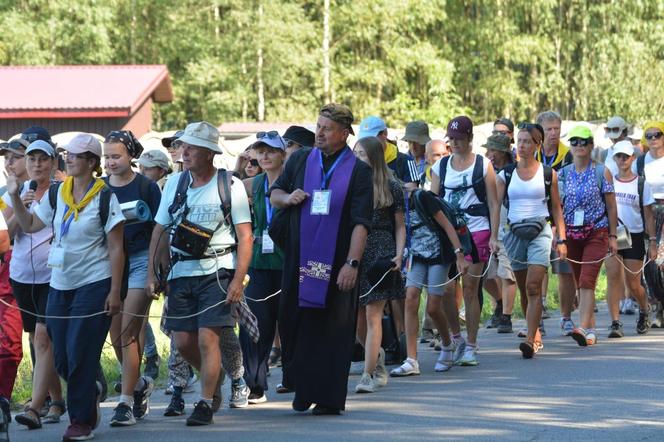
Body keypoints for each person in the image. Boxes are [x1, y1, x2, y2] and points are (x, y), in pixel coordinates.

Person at [8, 133, 126, 441]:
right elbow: (32, 225)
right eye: (67, 154)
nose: (68, 158)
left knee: (80, 354)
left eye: (75, 154)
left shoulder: (105, 197)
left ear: (91, 162)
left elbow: (116, 248)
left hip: (94, 283)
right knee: (60, 356)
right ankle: (90, 393)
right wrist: (16, 201)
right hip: (60, 284)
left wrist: (114, 292)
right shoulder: (58, 193)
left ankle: (80, 421)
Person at [146, 121, 253, 426]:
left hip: (217, 271)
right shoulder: (174, 185)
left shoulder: (229, 185)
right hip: (181, 272)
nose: (184, 151)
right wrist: (154, 274)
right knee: (182, 341)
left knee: (209, 339)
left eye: (191, 147)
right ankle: (215, 376)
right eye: (183, 146)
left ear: (210, 153)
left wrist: (237, 280)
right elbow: (160, 230)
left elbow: (245, 236)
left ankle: (205, 401)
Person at [270, 103, 372, 415]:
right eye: (318, 126)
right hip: (299, 261)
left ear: (344, 134)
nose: (320, 133)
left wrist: (352, 264)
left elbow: (361, 223)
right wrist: (288, 199)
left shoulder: (358, 171)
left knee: (332, 329)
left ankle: (326, 397)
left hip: (337, 262)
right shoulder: (300, 159)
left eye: (327, 129)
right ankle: (302, 387)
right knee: (295, 322)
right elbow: (275, 193)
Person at [431, 116, 500, 366]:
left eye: (460, 139)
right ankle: (456, 337)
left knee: (470, 289)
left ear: (470, 138)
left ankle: (471, 344)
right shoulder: (441, 167)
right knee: (447, 289)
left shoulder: (483, 165)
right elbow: (434, 200)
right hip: (449, 232)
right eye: (452, 139)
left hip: (477, 229)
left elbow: (493, 202)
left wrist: (494, 235)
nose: (456, 143)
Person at [103, 130, 161, 426]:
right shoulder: (100, 188)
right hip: (111, 265)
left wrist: (156, 272)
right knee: (117, 335)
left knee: (128, 331)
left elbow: (160, 231)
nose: (110, 162)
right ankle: (139, 386)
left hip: (140, 260)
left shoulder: (147, 186)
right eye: (107, 157)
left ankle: (124, 403)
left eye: (116, 156)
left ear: (130, 156)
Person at [494, 124, 567, 358]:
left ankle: (529, 339)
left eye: (527, 141)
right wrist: (494, 236)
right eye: (520, 141)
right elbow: (495, 206)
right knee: (525, 291)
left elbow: (556, 208)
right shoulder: (505, 174)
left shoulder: (548, 174)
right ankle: (533, 332)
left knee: (534, 286)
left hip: (540, 232)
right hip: (514, 233)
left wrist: (562, 238)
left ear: (537, 144)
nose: (522, 146)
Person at [7, 141, 65, 430]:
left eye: (44, 159)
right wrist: (20, 203)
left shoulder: (61, 191)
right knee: (37, 340)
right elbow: (8, 233)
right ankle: (56, 399)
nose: (38, 165)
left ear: (53, 163)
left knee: (43, 338)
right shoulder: (16, 192)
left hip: (51, 276)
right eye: (32, 160)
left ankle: (34, 406)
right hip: (21, 276)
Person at [351, 136, 406, 393]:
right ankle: (379, 357)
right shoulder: (351, 183)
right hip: (355, 250)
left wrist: (399, 253)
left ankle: (367, 374)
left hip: (381, 249)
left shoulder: (391, 186)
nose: (357, 158)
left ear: (373, 156)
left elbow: (400, 225)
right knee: (357, 318)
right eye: (355, 153)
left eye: (361, 154)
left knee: (374, 314)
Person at [557, 125, 618, 347]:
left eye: (584, 142)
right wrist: (560, 237)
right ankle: (590, 330)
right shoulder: (562, 174)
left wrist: (612, 236)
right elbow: (558, 207)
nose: (579, 146)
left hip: (597, 232)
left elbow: (611, 206)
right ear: (570, 146)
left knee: (586, 280)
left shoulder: (602, 171)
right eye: (575, 142)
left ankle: (582, 327)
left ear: (591, 145)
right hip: (571, 234)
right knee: (579, 280)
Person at [238, 131, 287, 404]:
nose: (266, 155)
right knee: (255, 323)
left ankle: (293, 377)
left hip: (287, 260)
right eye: (260, 150)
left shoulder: (293, 181)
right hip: (258, 261)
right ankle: (255, 383)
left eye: (271, 150)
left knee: (289, 323)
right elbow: (226, 188)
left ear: (282, 154)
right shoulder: (253, 184)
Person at [604, 141, 656, 337]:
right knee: (613, 277)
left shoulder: (641, 184)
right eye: (619, 156)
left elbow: (648, 214)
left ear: (632, 157)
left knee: (633, 283)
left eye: (626, 156)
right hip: (612, 234)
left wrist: (652, 241)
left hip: (633, 235)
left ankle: (644, 309)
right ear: (614, 158)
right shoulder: (609, 182)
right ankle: (615, 323)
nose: (622, 160)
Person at [535, 110, 573, 329]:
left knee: (564, 271)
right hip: (538, 220)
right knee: (537, 271)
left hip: (562, 221)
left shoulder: (568, 155)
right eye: (548, 129)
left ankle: (566, 318)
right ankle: (536, 319)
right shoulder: (531, 153)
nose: (553, 133)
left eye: (556, 128)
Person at [483, 134, 518, 334]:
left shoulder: (512, 172)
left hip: (506, 228)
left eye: (493, 151)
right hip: (486, 227)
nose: (489, 155)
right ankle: (499, 302)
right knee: (486, 276)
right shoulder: (486, 171)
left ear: (503, 152)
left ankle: (506, 316)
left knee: (507, 273)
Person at [638, 121, 664, 327]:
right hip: (647, 213)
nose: (653, 138)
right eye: (649, 135)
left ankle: (660, 308)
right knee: (649, 266)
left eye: (658, 134)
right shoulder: (640, 162)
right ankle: (658, 305)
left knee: (660, 262)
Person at [357, 115, 419, 188]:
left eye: (371, 138)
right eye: (363, 139)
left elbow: (410, 193)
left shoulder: (406, 161)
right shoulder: (358, 161)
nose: (367, 143)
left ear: (385, 134)